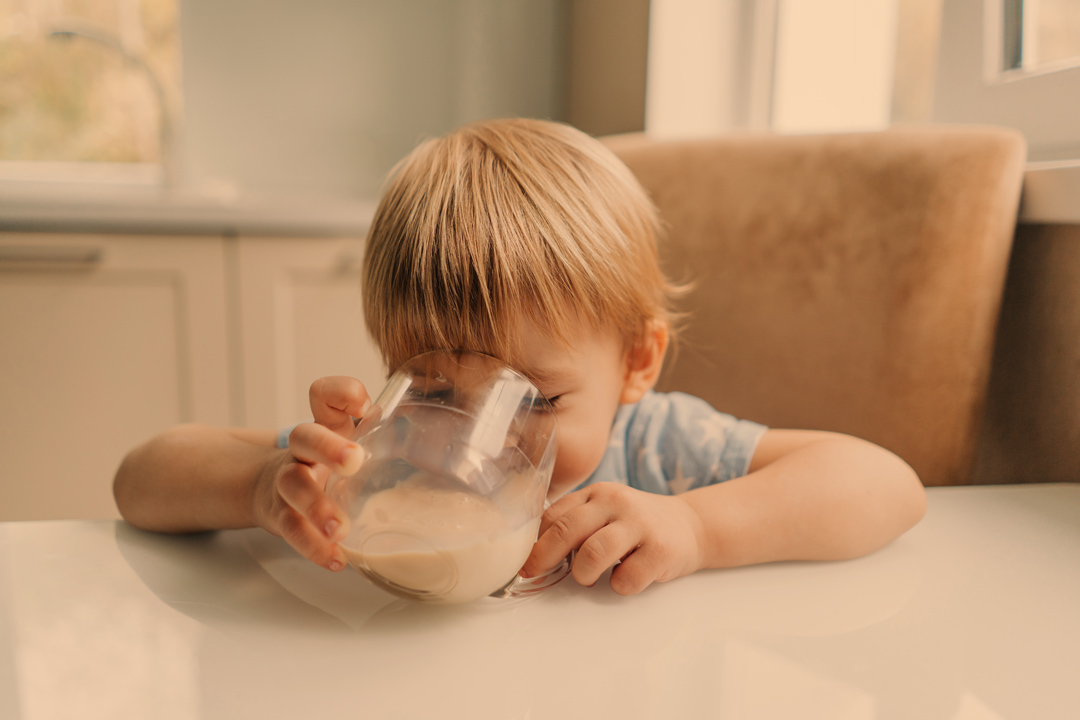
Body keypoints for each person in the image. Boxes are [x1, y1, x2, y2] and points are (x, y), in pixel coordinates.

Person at [114, 118, 927, 596]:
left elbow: (887, 485)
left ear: (637, 363)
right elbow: (140, 480)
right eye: (432, 389)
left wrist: (697, 528)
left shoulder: (658, 454)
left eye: (533, 399)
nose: (479, 436)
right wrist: (265, 486)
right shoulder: (388, 459)